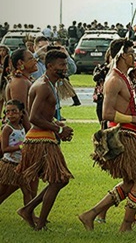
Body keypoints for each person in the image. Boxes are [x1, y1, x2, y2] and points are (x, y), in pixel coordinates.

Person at [78, 38, 136, 232]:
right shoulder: (114, 80)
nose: (135, 57)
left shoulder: (124, 77)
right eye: (132, 53)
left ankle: (90, 214)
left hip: (131, 132)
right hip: (123, 135)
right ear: (122, 55)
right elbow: (107, 114)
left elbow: (129, 108)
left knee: (131, 181)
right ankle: (126, 226)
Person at [16, 50, 74, 230]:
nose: (65, 69)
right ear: (49, 66)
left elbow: (43, 115)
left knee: (59, 180)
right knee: (58, 180)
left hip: (44, 136)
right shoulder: (43, 86)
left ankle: (29, 210)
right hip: (39, 139)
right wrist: (58, 129)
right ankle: (38, 221)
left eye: (65, 65)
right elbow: (33, 117)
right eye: (61, 65)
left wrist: (59, 127)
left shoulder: (49, 84)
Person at [0, 100, 33, 206]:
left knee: (27, 191)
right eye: (7, 112)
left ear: (21, 112)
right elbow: (4, 149)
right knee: (2, 189)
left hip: (20, 165)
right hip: (9, 164)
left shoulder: (21, 127)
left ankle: (29, 215)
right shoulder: (7, 129)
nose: (10, 114)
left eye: (14, 111)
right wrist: (20, 147)